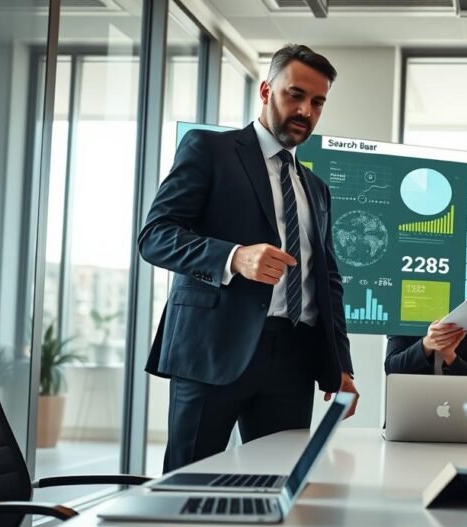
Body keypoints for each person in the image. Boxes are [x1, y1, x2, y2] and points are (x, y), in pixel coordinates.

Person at [138, 44, 359, 472]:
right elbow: (155, 236)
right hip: (212, 350)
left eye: (317, 102)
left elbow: (326, 280)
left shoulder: (316, 188)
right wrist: (234, 257)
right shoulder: (209, 150)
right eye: (294, 95)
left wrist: (341, 365)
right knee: (188, 486)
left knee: (277, 487)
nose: (305, 111)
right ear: (265, 90)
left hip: (294, 359)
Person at [384, 320, 467, 376]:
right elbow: (392, 369)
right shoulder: (403, 322)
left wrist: (450, 356)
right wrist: (425, 345)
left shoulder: (466, 329)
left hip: (456, 406)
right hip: (413, 405)